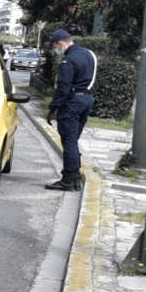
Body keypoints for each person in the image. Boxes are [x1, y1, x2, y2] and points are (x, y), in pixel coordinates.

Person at [45, 29, 97, 191]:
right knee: (73, 140)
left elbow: (63, 87)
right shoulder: (90, 55)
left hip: (72, 103)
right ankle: (75, 178)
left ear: (60, 43)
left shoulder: (69, 60)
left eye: (56, 46)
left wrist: (53, 107)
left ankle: (69, 179)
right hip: (87, 100)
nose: (57, 50)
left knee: (69, 141)